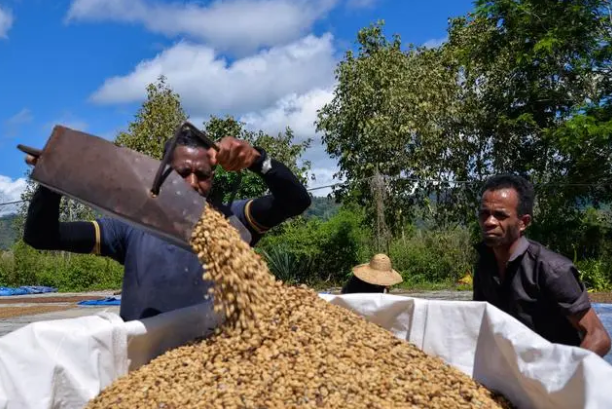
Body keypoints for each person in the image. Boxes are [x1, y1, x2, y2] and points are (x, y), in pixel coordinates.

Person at [23, 130, 311, 321]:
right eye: (182, 173)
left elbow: (296, 200)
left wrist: (258, 161)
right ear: (161, 174)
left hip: (220, 364)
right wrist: (52, 180)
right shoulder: (132, 226)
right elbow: (42, 236)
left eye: (203, 175)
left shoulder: (232, 223)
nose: (193, 184)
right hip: (149, 368)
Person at [473, 174, 611, 357]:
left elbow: (598, 337)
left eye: (500, 215)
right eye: (484, 214)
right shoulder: (485, 265)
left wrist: (562, 378)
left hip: (552, 373)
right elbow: (480, 323)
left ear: (524, 222)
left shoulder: (551, 269)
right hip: (510, 371)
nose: (489, 222)